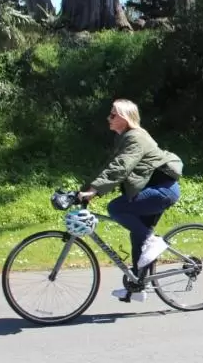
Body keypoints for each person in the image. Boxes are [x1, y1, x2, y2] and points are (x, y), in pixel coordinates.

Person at [76, 99, 184, 300]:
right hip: (151, 190)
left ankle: (154, 241)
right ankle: (138, 286)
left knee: (116, 208)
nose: (109, 118)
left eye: (113, 115)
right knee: (138, 239)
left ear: (125, 118)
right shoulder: (124, 138)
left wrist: (96, 191)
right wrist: (84, 191)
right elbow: (109, 166)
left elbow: (121, 167)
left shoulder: (136, 138)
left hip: (162, 190)